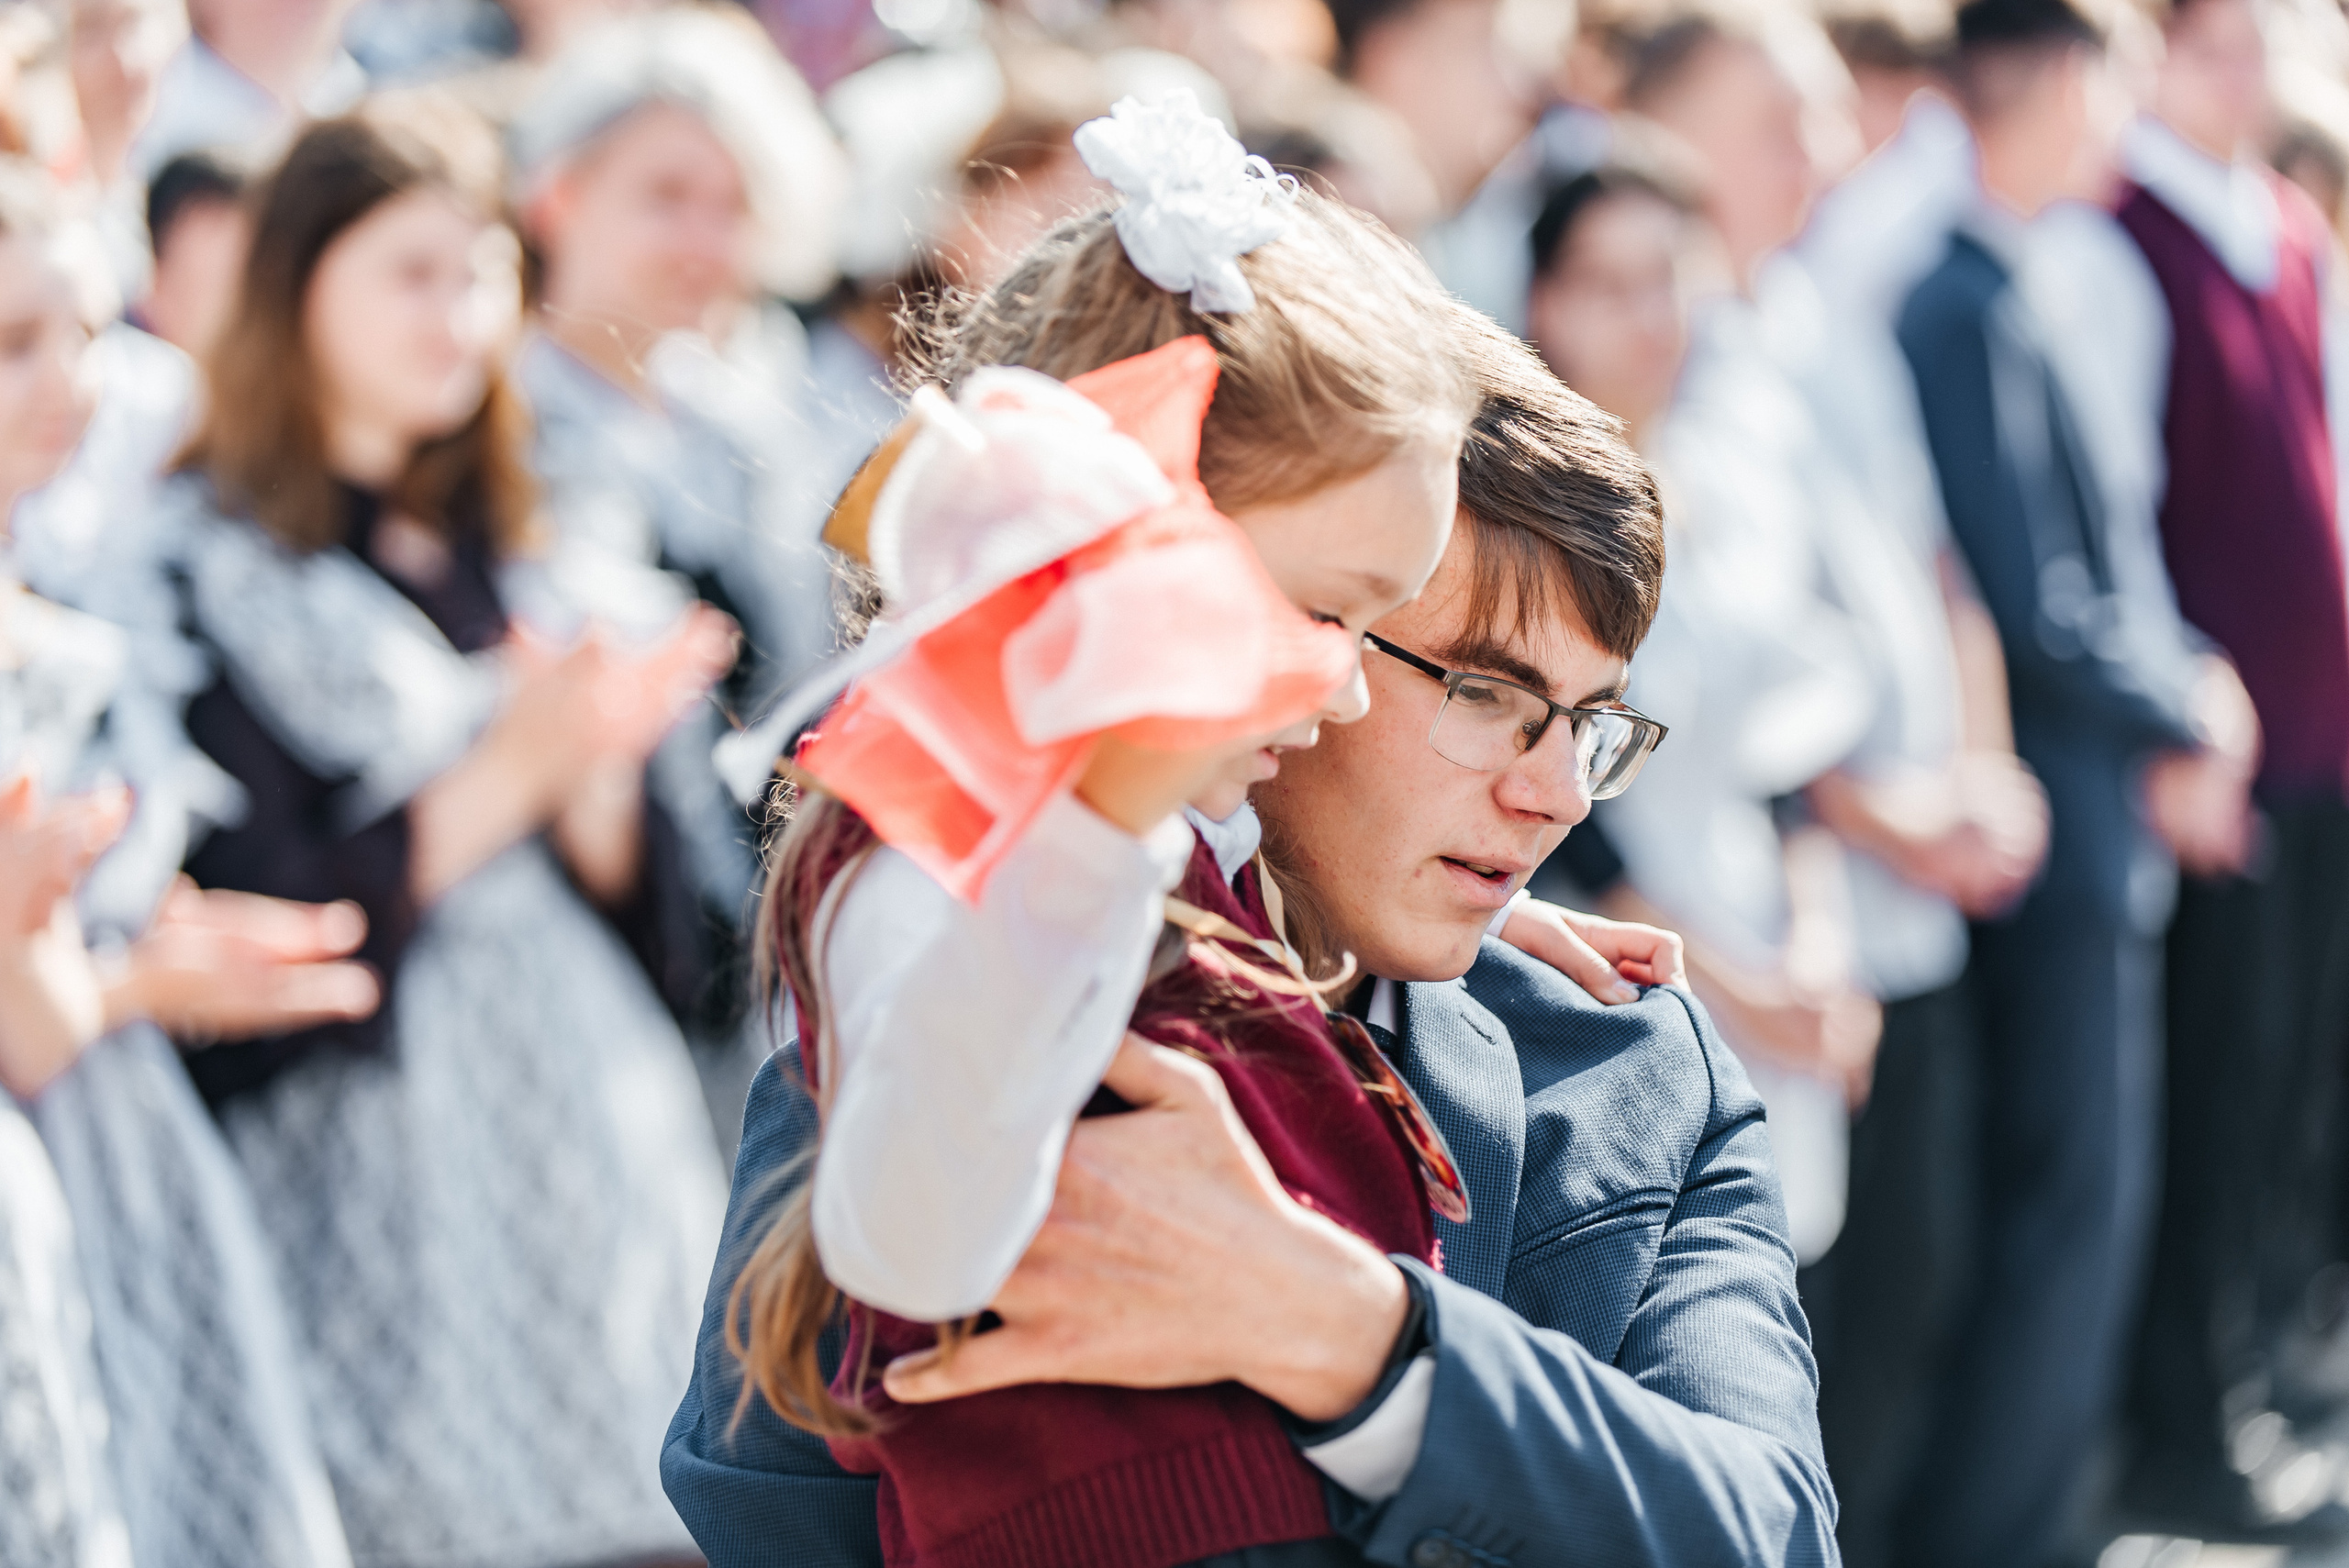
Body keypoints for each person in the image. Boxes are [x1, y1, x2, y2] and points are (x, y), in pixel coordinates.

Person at [666, 303, 1838, 1567]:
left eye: (1592, 721)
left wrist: (1355, 1338)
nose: (1554, 792)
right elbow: (766, 1508)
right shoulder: (959, 1003)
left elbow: (1766, 1535)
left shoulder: (1631, 1055)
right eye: (1486, 693)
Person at [141, 95, 739, 1568]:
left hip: (595, 1165)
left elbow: (689, 948)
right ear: (300, 287)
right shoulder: (204, 566)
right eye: (411, 272)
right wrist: (508, 774)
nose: (458, 315)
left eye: (481, 273)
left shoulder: (536, 542)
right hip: (381, 1203)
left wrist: (597, 783)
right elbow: (252, 927)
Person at [1890, 1, 2256, 1560]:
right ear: (2054, 80)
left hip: (2101, 817)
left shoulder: (2022, 281)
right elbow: (2040, 606)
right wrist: (2193, 698)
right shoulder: (1964, 300)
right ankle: (2005, 1529)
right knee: (2063, 1208)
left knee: (2086, 1203)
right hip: (2060, 826)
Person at [0, 153, 373, 1568]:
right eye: (13, 344)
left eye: (84, 332)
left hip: (116, 1161)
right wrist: (141, 980)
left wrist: (153, 946)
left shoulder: (41, 598)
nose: (68, 382)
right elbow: (27, 1018)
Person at [2094, 0, 2349, 1537]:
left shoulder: (2279, 226)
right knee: (2213, 1072)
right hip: (2217, 751)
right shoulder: (2129, 231)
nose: (2250, 71)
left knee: (2288, 1076)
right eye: (2219, 41)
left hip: (2316, 730)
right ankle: (2193, 1413)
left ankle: (2262, 1354)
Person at [508, 9, 845, 1135]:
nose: (702, 237)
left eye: (732, 203)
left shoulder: (750, 427)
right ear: (556, 194)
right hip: (579, 956)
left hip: (757, 952)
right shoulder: (492, 426)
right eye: (664, 195)